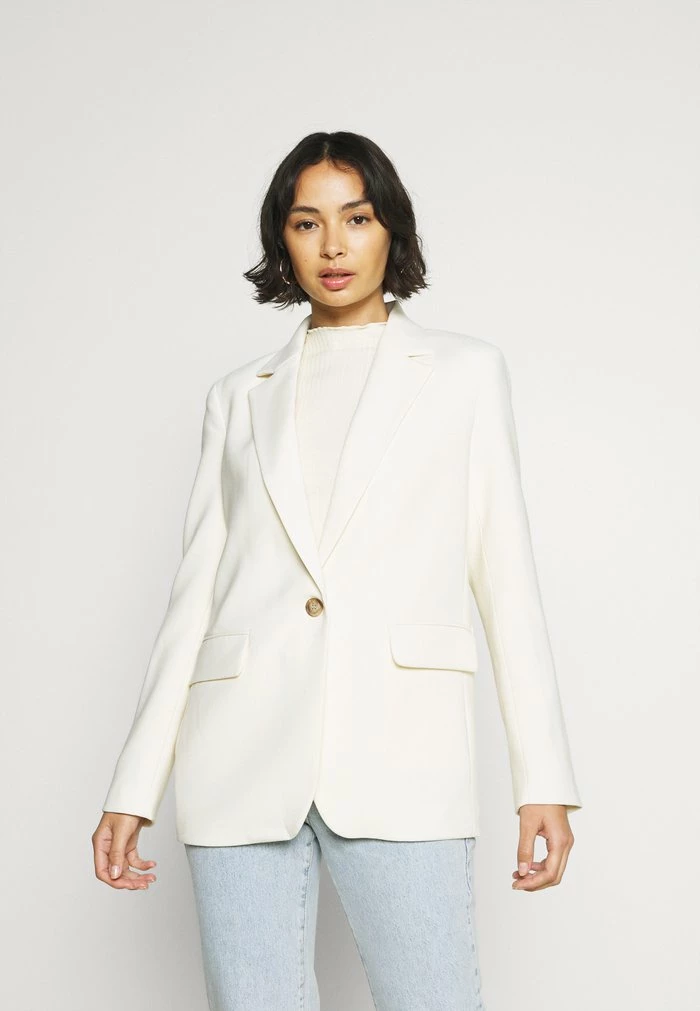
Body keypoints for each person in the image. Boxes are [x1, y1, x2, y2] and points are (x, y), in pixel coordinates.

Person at [92, 131, 582, 1010]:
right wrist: (134, 785)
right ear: (281, 239)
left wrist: (544, 778)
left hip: (403, 753)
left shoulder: (464, 374)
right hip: (239, 756)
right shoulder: (239, 393)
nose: (332, 246)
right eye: (306, 222)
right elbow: (193, 599)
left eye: (355, 219)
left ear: (391, 227)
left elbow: (507, 580)